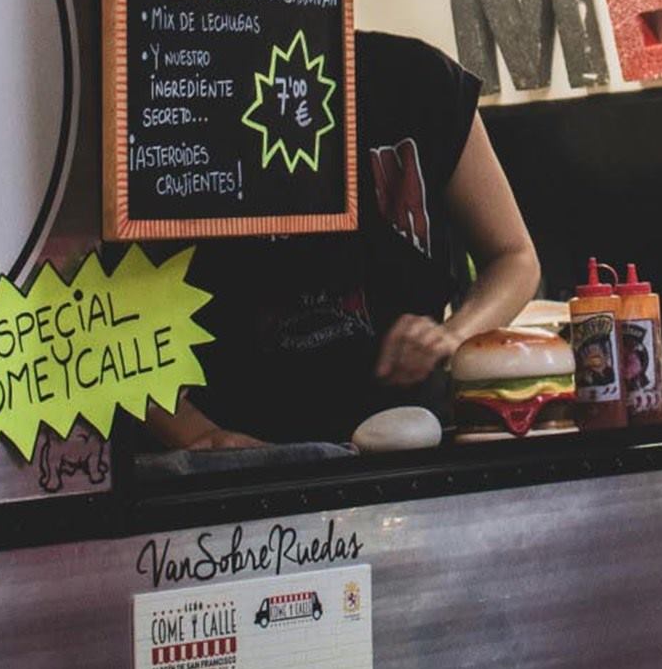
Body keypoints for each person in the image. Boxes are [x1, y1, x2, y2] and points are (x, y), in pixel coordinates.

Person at [148, 29, 539, 449]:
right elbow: (111, 329)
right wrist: (200, 436)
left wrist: (454, 334)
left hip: (409, 446)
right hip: (241, 468)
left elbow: (514, 257)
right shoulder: (183, 90)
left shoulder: (417, 80)